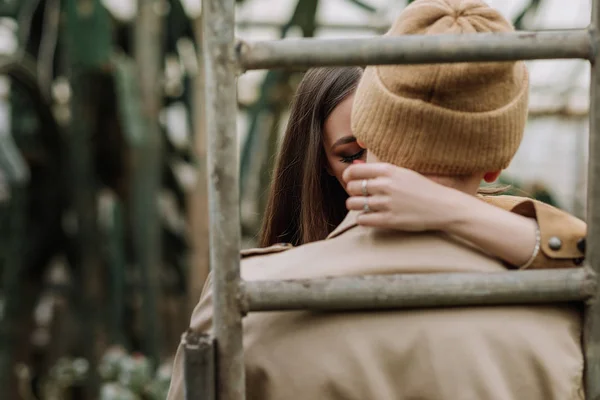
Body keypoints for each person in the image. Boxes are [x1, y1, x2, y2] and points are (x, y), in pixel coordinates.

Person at [168, 0, 584, 399]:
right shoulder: (570, 314)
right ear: (497, 166)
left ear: (366, 130)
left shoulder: (245, 300)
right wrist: (454, 208)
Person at [260, 66, 585, 269]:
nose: (378, 166)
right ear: (319, 164)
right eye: (351, 154)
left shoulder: (498, 219)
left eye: (390, 143)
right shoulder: (276, 268)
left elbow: (581, 254)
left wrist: (449, 209)